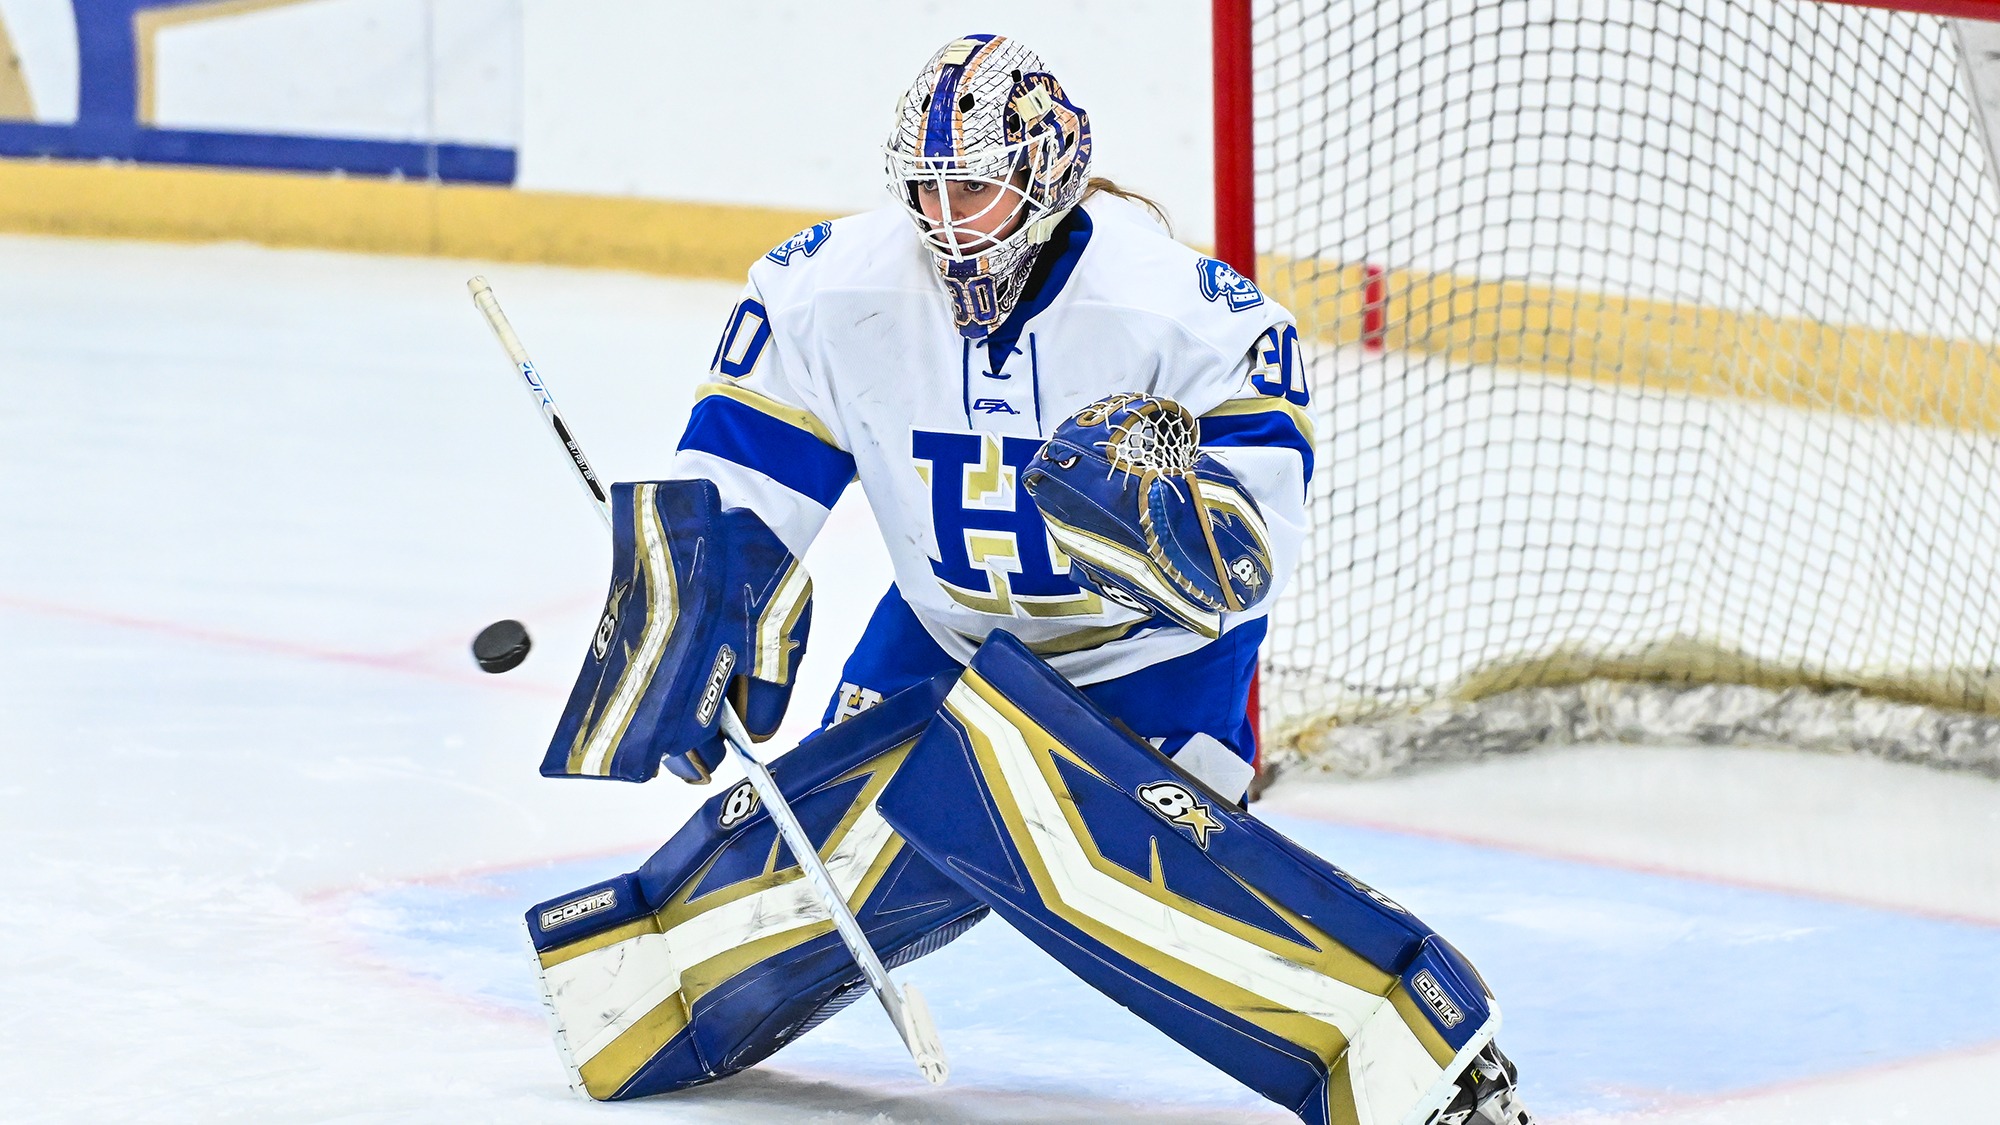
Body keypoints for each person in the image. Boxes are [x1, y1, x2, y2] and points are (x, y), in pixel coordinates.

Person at [523, 34, 1534, 1125]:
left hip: (1147, 662)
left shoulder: (1186, 314)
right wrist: (699, 596)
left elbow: (1244, 561)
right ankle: (657, 988)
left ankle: (1418, 1056)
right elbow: (743, 467)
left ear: (1044, 177)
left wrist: (1149, 520)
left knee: (1099, 863)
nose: (949, 221)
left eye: (977, 190)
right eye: (928, 189)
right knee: (836, 858)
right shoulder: (827, 288)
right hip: (939, 633)